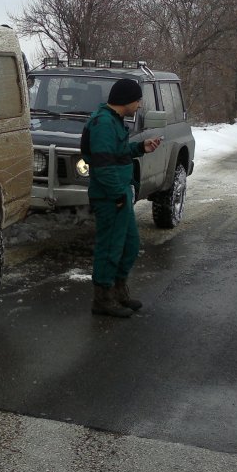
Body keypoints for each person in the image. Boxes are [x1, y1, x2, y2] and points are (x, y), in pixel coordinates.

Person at [81, 77, 162, 318]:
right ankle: (103, 298)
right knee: (110, 247)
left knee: (129, 244)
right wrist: (118, 195)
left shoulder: (113, 121)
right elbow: (103, 166)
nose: (139, 104)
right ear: (126, 100)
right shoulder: (103, 123)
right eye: (137, 100)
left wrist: (140, 148)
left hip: (120, 193)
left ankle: (118, 291)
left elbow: (116, 153)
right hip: (110, 196)